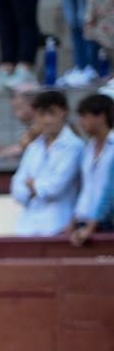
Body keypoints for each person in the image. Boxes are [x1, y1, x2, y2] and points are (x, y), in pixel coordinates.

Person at [11, 89, 83, 235]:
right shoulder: (34, 147)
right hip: (26, 227)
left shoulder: (74, 146)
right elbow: (16, 187)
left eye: (51, 113)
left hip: (59, 225)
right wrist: (34, 188)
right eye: (42, 114)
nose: (47, 120)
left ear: (64, 112)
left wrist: (33, 185)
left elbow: (55, 187)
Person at [70, 93, 113, 245]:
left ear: (100, 116)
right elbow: (87, 188)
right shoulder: (88, 148)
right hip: (85, 221)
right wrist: (74, 221)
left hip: (106, 224)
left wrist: (91, 226)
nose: (81, 122)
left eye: (84, 116)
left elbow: (111, 191)